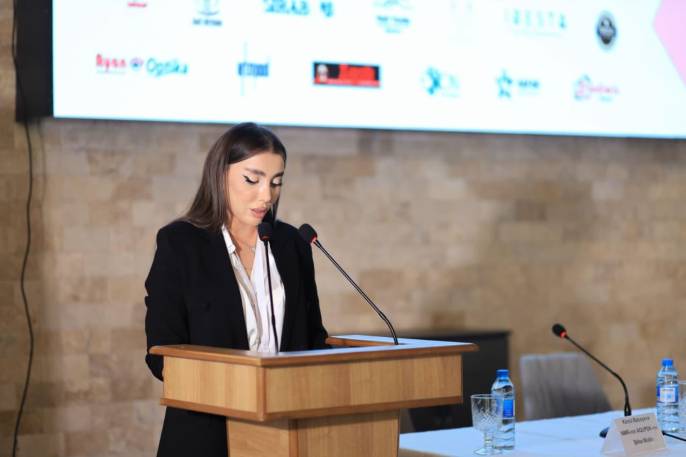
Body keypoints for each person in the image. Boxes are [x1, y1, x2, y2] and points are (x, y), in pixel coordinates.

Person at [144, 122, 329, 457]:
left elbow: (314, 338)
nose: (266, 195)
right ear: (220, 175)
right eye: (252, 180)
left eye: (276, 182)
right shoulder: (181, 244)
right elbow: (162, 353)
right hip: (206, 436)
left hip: (287, 434)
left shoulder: (291, 244)